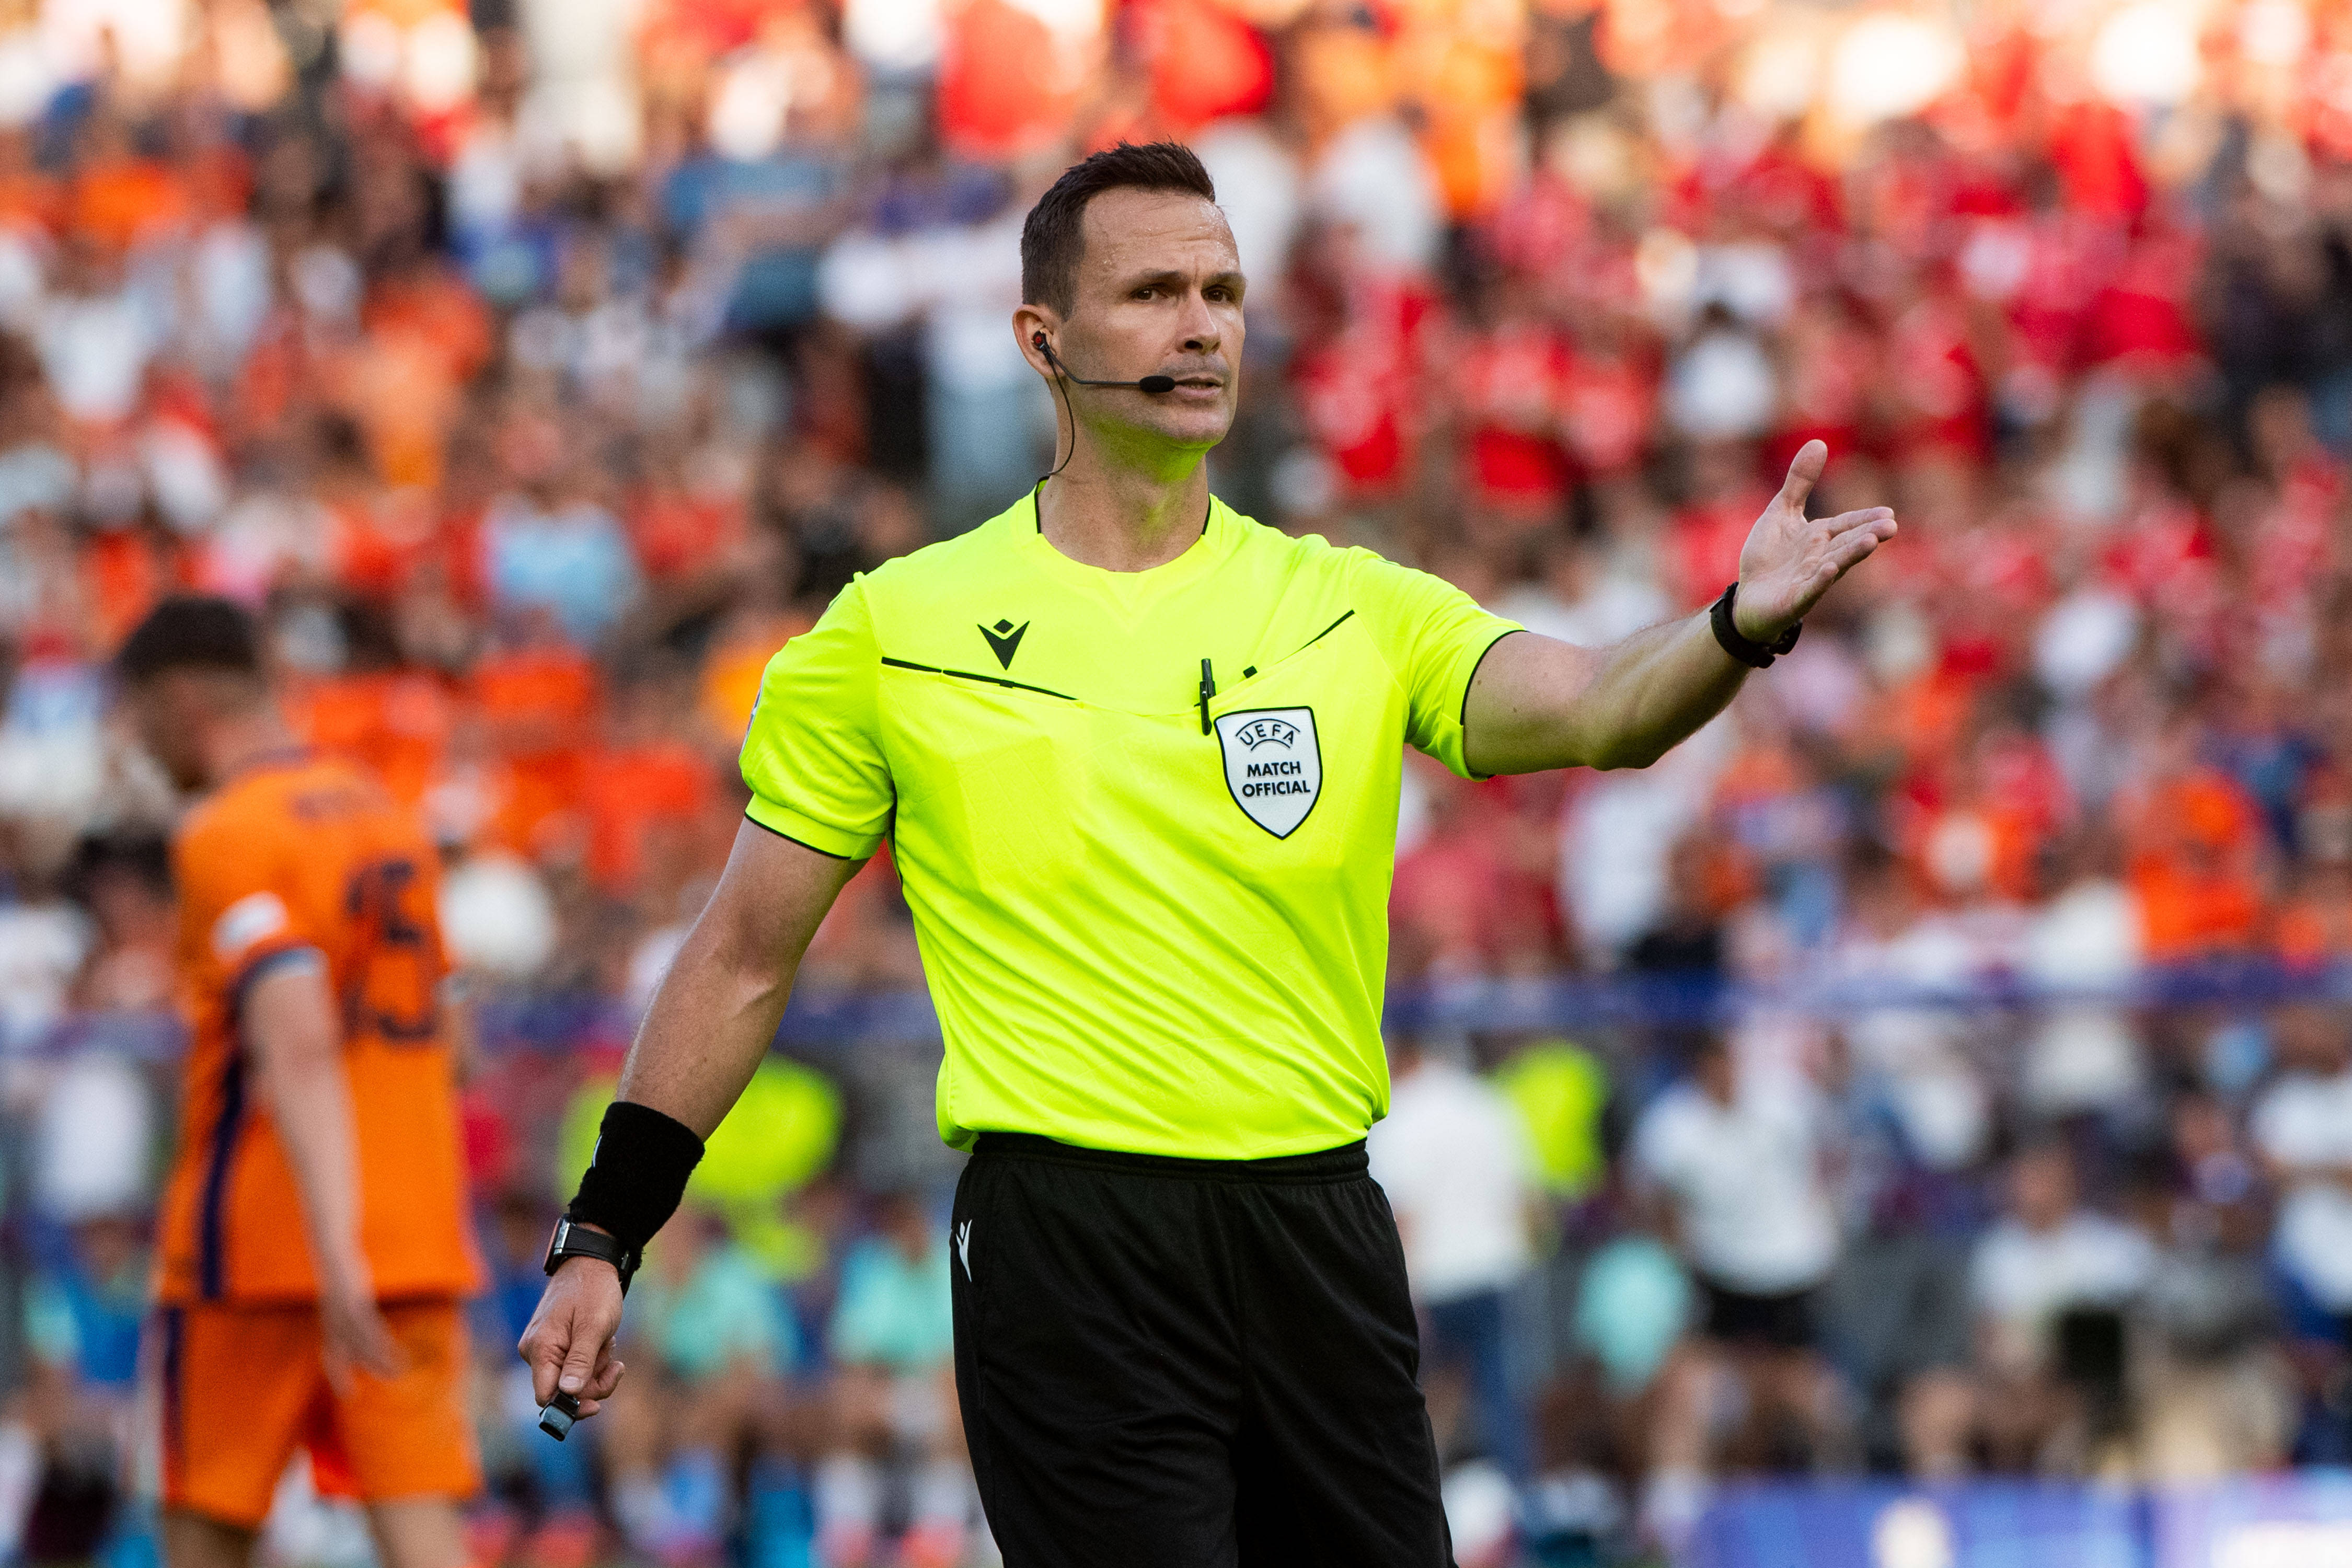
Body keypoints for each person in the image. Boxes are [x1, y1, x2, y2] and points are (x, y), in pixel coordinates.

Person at [520, 141, 1897, 1566]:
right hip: (1069, 1240)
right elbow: (743, 955)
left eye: (1224, 292)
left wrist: (1734, 624)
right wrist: (603, 1232)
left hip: (1319, 1230)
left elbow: (1600, 706)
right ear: (1041, 345)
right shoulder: (893, 632)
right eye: (1154, 292)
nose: (1201, 325)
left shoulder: (1346, 606)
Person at [114, 598, 479, 1568]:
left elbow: (297, 1032)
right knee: (423, 1535)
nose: (139, 747)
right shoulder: (387, 817)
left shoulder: (225, 833)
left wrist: (333, 1244)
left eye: (141, 719)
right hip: (411, 1238)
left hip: (261, 1251)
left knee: (203, 1534)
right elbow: (456, 1030)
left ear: (183, 701)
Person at [1367, 1036, 1540, 1486]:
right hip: (1495, 1274)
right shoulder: (1489, 1103)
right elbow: (1526, 1201)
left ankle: (1421, 1506)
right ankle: (1521, 1516)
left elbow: (1404, 1217)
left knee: (1419, 1407)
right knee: (1504, 1409)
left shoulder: (1400, 1115)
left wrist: (1404, 1294)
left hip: (1435, 1283)